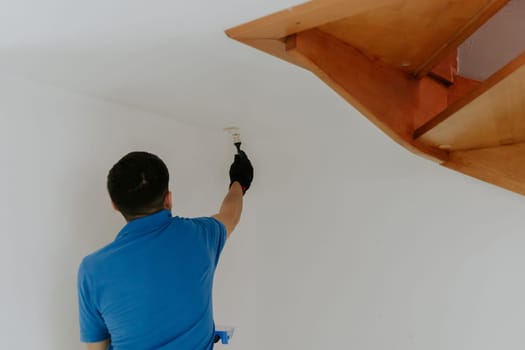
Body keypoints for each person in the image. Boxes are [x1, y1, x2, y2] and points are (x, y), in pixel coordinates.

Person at [77, 149, 254, 350]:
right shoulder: (199, 237)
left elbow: (96, 347)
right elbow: (231, 215)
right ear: (168, 199)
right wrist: (239, 182)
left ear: (115, 205)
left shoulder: (92, 270)